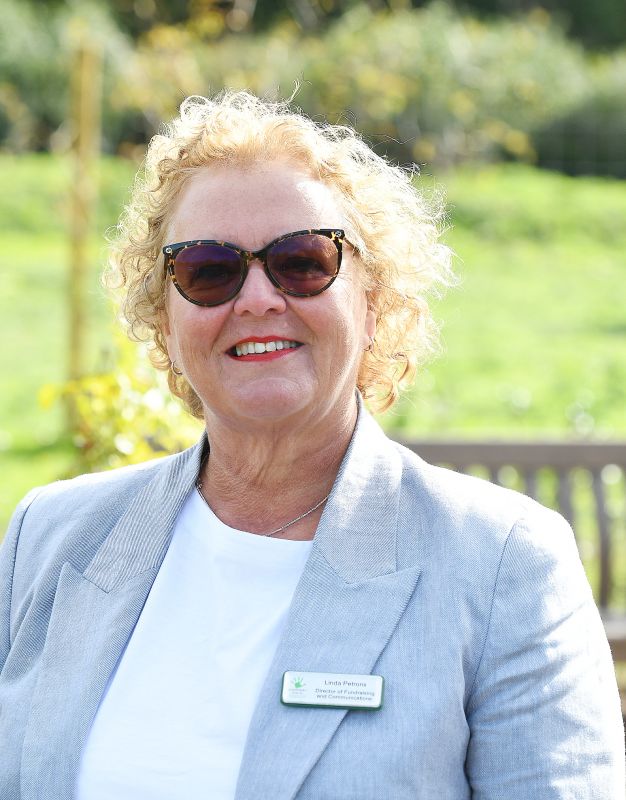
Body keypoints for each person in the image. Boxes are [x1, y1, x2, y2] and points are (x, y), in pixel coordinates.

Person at [0, 91, 623, 800]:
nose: (257, 299)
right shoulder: (51, 539)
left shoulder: (504, 566)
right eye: (208, 269)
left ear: (373, 300)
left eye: (301, 261)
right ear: (164, 317)